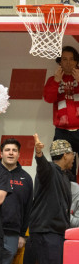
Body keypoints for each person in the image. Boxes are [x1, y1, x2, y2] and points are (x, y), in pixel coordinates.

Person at [17, 137, 73, 264]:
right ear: (65, 155)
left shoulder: (65, 177)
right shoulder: (48, 171)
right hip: (45, 231)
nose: (74, 158)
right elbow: (42, 167)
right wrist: (38, 154)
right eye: (72, 154)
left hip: (58, 233)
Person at [44, 46, 79, 178]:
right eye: (65, 59)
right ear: (60, 62)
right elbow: (48, 98)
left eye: (72, 59)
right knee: (63, 170)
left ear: (77, 62)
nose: (68, 62)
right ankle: (66, 196)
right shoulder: (53, 80)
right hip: (62, 131)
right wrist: (56, 81)